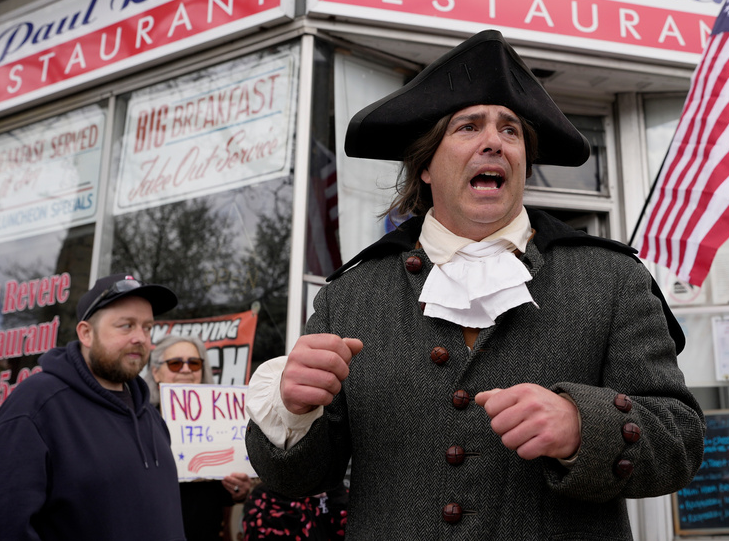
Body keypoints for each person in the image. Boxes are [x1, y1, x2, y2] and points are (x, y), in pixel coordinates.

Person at [244, 29, 705, 538]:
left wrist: (583, 426)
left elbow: (679, 441)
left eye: (510, 131)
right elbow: (300, 479)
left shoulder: (612, 278)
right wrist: (294, 409)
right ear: (424, 166)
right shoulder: (350, 296)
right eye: (468, 126)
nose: (494, 141)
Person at [0, 273, 185, 541]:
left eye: (148, 327)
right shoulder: (37, 405)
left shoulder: (149, 414)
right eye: (126, 325)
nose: (141, 337)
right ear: (86, 333)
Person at [145, 335, 253, 541]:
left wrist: (238, 490)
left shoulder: (221, 420)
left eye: (194, 363)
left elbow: (225, 492)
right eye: (175, 364)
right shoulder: (140, 422)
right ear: (156, 373)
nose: (186, 370)